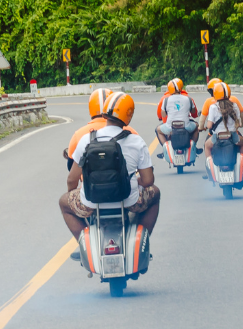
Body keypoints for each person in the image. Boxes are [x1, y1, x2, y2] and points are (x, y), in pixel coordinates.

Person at [58, 91, 160, 246]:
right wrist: (132, 181)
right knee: (155, 193)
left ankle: (87, 245)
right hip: (129, 200)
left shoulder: (86, 139)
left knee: (63, 203)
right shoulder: (136, 141)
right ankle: (140, 243)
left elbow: (72, 180)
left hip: (91, 202)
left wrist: (74, 194)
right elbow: (148, 180)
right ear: (129, 115)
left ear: (104, 112)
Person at [64, 88, 140, 169]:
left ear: (90, 108)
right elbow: (142, 162)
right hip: (126, 177)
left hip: (88, 177)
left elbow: (70, 166)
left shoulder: (79, 135)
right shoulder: (131, 132)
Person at [200, 81, 243, 185]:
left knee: (207, 146)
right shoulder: (234, 106)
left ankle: (210, 171)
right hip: (233, 136)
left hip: (217, 138)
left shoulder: (213, 107)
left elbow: (209, 126)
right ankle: (241, 166)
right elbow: (238, 124)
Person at [154, 79, 197, 150]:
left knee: (158, 130)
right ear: (181, 87)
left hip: (170, 128)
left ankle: (166, 149)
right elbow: (193, 111)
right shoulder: (188, 99)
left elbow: (163, 115)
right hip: (186, 127)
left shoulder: (166, 100)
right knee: (196, 127)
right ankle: (193, 147)